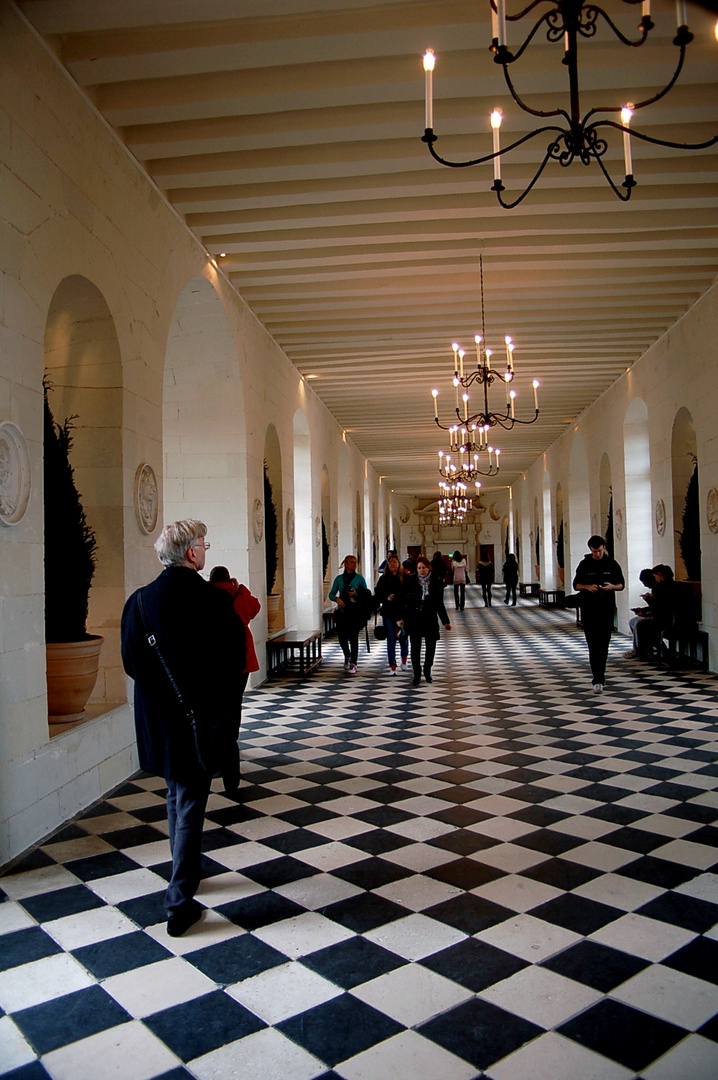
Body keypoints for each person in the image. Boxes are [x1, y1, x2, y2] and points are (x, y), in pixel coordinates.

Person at [121, 519, 244, 937]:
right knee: (189, 801)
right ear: (191, 554)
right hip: (198, 719)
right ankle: (179, 902)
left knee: (176, 794)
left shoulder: (138, 602)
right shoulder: (211, 601)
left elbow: (130, 664)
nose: (206, 550)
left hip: (158, 721)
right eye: (203, 545)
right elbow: (232, 664)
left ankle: (182, 868)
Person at [208, 565, 261, 791]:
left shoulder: (205, 596)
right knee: (234, 703)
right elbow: (255, 607)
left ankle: (217, 755)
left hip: (214, 661)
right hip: (241, 659)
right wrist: (240, 588)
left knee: (215, 708)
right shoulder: (238, 595)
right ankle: (231, 743)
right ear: (229, 579)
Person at [573, 534, 625, 692]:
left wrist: (612, 587)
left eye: (600, 551)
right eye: (595, 551)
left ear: (604, 548)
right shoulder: (584, 564)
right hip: (589, 609)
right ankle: (597, 677)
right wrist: (588, 587)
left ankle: (600, 676)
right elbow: (576, 585)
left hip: (606, 608)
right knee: (592, 644)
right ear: (590, 549)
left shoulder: (612, 564)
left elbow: (621, 584)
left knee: (604, 644)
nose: (598, 554)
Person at [405, 555, 451, 685]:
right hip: (414, 619)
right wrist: (402, 618)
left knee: (431, 647)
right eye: (419, 568)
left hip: (430, 618)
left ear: (428, 568)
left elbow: (439, 604)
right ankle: (417, 673)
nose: (422, 570)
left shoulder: (436, 583)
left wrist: (445, 621)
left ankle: (427, 670)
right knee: (415, 648)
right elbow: (406, 602)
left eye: (424, 568)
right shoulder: (411, 581)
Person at [328, 554, 370, 674]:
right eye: (351, 562)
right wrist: (337, 599)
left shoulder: (359, 578)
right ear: (345, 563)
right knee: (342, 637)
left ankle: (354, 663)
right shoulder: (339, 579)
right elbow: (331, 594)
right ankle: (347, 655)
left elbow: (366, 594)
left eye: (355, 562)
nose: (354, 564)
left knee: (353, 637)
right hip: (342, 612)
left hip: (355, 612)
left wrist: (356, 594)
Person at [374, 553, 409, 675]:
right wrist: (386, 597)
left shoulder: (405, 577)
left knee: (403, 637)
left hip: (402, 612)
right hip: (388, 612)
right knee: (391, 638)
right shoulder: (384, 578)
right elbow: (378, 593)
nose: (393, 564)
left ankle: (404, 660)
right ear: (388, 565)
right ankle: (392, 665)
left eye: (395, 561)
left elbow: (408, 595)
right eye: (390, 562)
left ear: (399, 563)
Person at [624, 568, 656, 659]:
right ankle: (641, 647)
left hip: (660, 617)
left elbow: (659, 608)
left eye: (645, 582)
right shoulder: (654, 589)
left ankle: (638, 650)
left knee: (639, 623)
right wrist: (643, 610)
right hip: (654, 614)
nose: (645, 585)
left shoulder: (660, 588)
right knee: (632, 621)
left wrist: (646, 613)